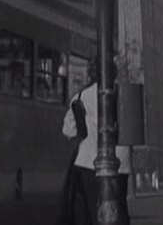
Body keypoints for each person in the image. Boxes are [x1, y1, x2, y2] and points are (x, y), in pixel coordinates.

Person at [62, 68, 131, 225]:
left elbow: (68, 130)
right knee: (118, 208)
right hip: (120, 163)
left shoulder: (82, 96)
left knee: (91, 211)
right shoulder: (125, 94)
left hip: (88, 162)